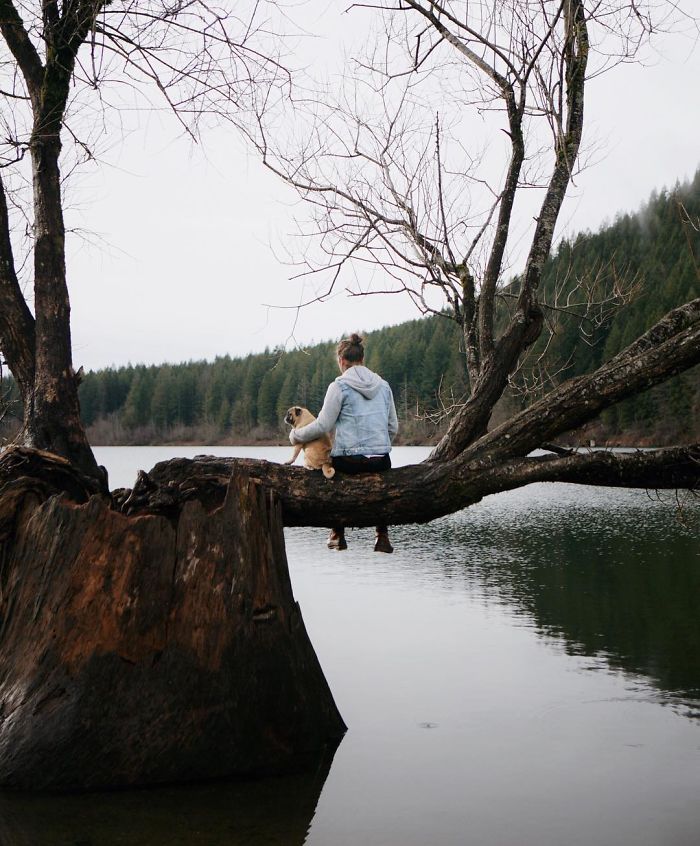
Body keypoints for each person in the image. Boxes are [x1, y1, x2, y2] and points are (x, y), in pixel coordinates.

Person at [289, 333, 398, 553]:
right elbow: (393, 427)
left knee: (330, 471)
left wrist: (296, 436)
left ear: (341, 361)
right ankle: (382, 536)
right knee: (383, 482)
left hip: (349, 461)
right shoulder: (384, 386)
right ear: (362, 359)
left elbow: (323, 425)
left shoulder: (339, 386)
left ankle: (337, 533)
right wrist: (377, 448)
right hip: (380, 461)